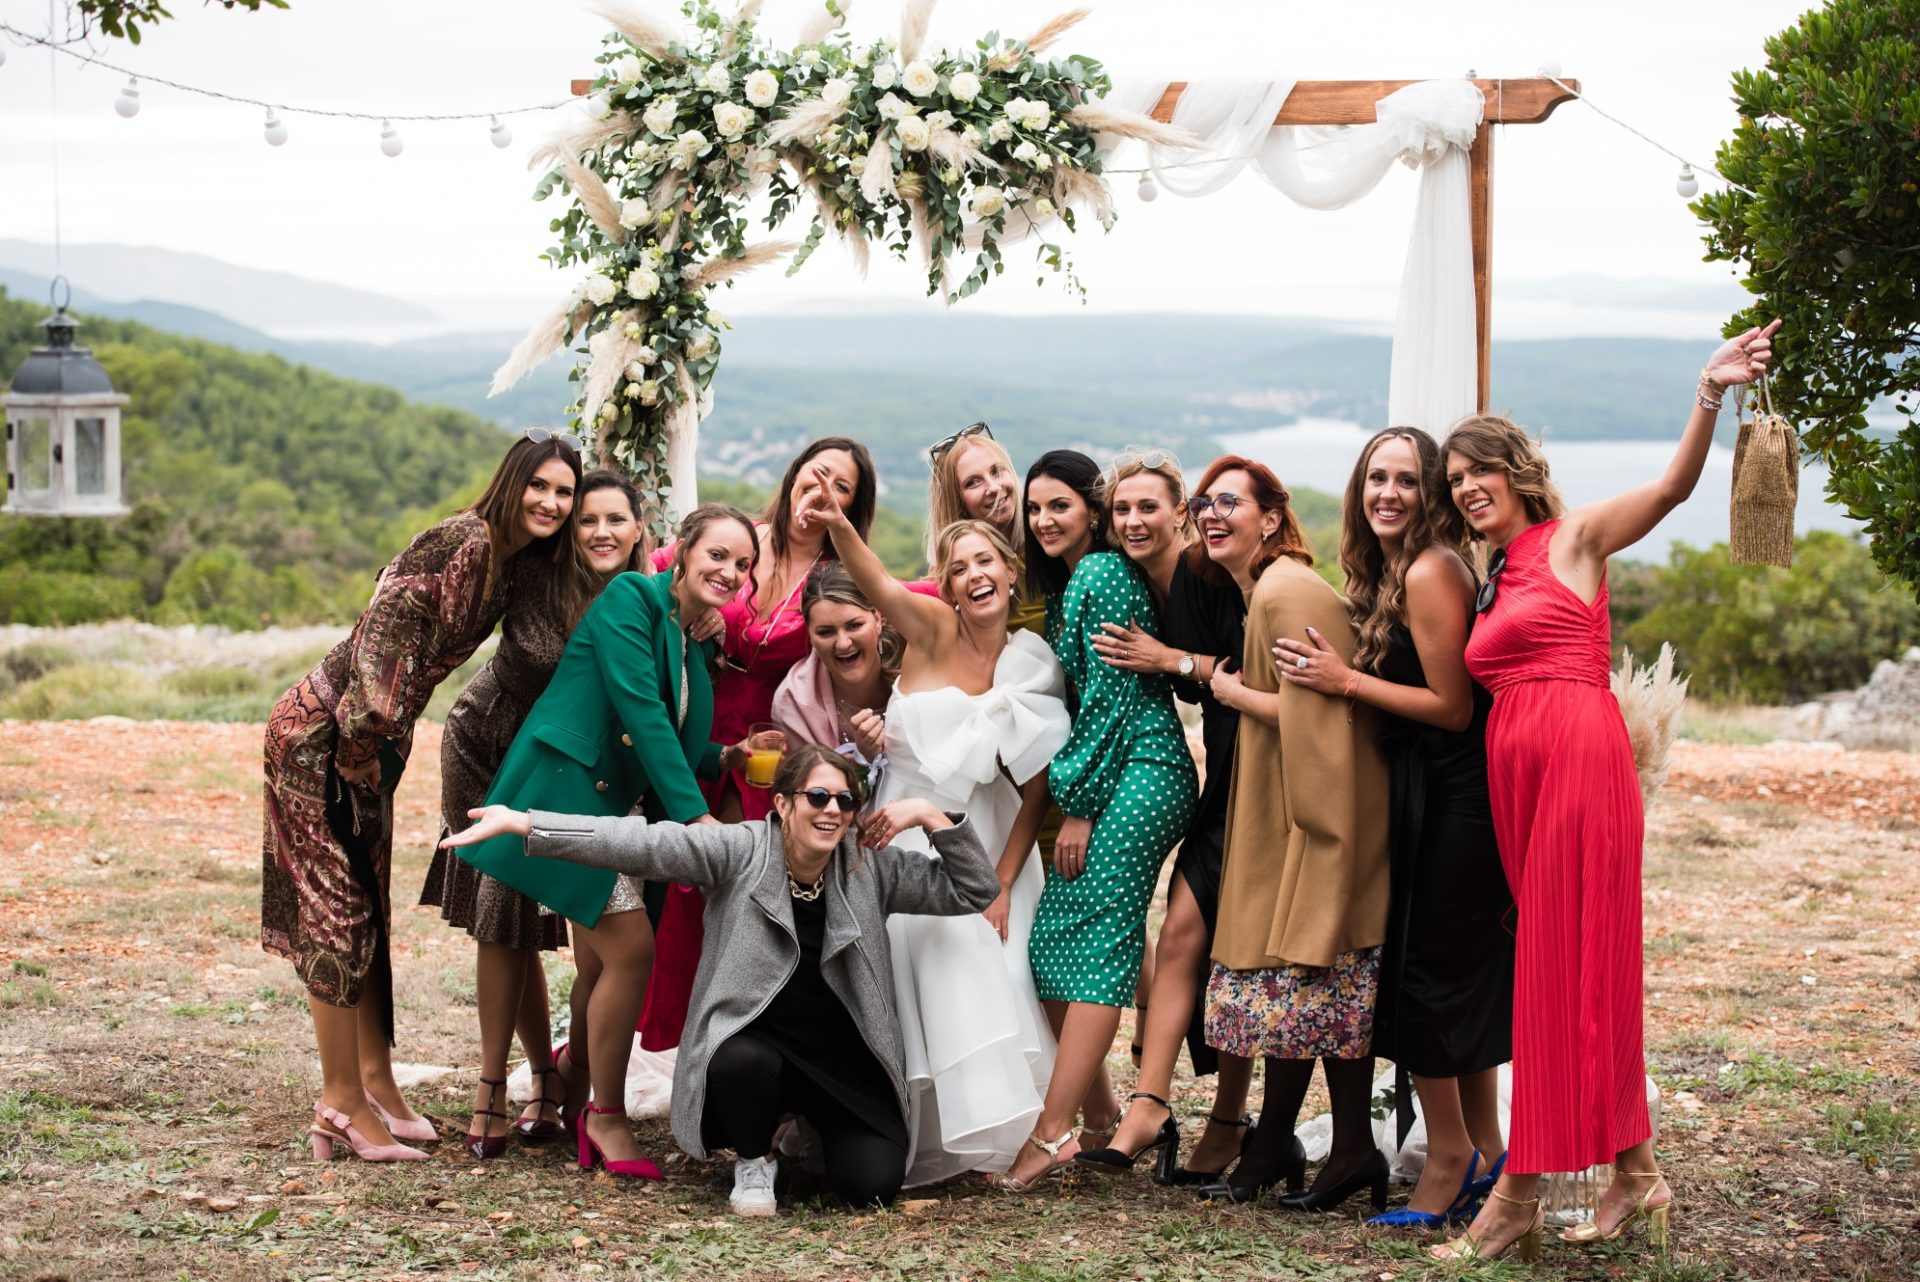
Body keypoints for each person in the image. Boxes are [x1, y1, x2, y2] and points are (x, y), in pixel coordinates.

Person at [1429, 321, 1779, 1263]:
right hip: (1520, 776)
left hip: (1579, 761)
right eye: (1455, 479)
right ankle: (1638, 1175)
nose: (1466, 487)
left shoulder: (1572, 538)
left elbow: (1670, 491)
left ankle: (1516, 1200)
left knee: (1554, 971)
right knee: (1578, 966)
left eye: (1479, 470)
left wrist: (1708, 391)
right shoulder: (1492, 578)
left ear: (1517, 471)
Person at [440, 745, 1002, 1216]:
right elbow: (641, 842)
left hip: (840, 1061)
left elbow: (975, 890)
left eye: (845, 800)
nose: (832, 810)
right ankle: (753, 1158)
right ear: (782, 804)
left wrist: (932, 816)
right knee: (742, 1063)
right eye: (817, 797)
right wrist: (527, 824)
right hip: (755, 1049)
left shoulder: (869, 867)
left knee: (870, 1187)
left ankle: (802, 1135)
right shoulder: (741, 851)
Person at [260, 431, 580, 1163]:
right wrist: (361, 741)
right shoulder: (465, 540)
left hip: (374, 741)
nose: (552, 503)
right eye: (540, 487)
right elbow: (386, 627)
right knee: (336, 908)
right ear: (511, 483)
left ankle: (376, 1080)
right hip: (328, 734)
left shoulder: (513, 562)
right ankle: (338, 1102)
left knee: (369, 900)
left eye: (564, 492)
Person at [450, 503, 763, 1182]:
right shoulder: (629, 599)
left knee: (597, 970)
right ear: (680, 552)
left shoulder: (691, 639)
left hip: (622, 814)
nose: (730, 571)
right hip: (567, 794)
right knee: (633, 953)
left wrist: (726, 759)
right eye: (717, 555)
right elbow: (637, 709)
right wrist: (692, 820)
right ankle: (606, 1113)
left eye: (743, 564)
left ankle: (570, 1073)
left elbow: (674, 735)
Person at [1273, 428, 1512, 1227]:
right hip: (1427, 792)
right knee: (1455, 976)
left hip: (1460, 796)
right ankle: (1486, 1148)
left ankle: (1447, 1159)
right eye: (1376, 477)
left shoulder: (1432, 567)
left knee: (1424, 981)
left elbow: (1452, 708)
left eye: (1408, 481)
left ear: (1434, 493)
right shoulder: (1387, 571)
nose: (1388, 493)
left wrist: (1344, 682)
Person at [805, 475, 1071, 1184]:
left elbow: (1037, 785)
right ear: (947, 587)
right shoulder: (929, 629)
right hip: (903, 825)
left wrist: (1005, 880)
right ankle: (910, 1130)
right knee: (912, 968)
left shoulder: (1030, 661)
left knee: (986, 972)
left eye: (986, 561)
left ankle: (1004, 1133)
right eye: (958, 568)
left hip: (989, 835)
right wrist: (839, 526)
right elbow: (878, 584)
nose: (975, 575)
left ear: (1010, 573)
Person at [419, 469, 652, 1157]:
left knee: (589, 935)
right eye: (586, 520)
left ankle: (564, 1081)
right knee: (505, 916)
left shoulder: (647, 599)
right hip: (494, 747)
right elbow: (447, 610)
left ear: (642, 527)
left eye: (615, 520)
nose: (599, 532)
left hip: (580, 771)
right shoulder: (535, 574)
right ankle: (500, 1084)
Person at [1082, 455, 1292, 1185]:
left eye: (1150, 508)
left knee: (1233, 946)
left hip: (1271, 775)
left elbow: (1242, 675)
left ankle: (1231, 1115)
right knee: (1181, 934)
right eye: (1122, 511)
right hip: (1227, 769)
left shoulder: (1216, 574)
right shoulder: (1133, 580)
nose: (1135, 522)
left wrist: (1174, 661)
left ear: (1179, 512)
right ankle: (1149, 1103)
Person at [993, 450, 1198, 1191]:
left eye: (1061, 507)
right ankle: (1099, 1118)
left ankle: (1052, 1135)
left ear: (1092, 512)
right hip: (1119, 770)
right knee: (1052, 943)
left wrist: (1076, 806)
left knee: (1101, 945)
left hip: (1142, 771)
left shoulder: (1103, 575)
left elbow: (1109, 703)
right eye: (1035, 509)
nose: (1045, 521)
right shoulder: (1087, 578)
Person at [639, 436, 879, 1055]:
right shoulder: (739, 540)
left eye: (843, 487)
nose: (824, 490)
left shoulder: (841, 575)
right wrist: (687, 619)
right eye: (817, 474)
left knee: (741, 886)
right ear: (795, 474)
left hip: (772, 739)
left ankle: (731, 1036)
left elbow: (902, 606)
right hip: (696, 719)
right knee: (677, 879)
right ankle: (662, 1036)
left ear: (854, 505)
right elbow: (656, 575)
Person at [1205, 470, 1393, 1214]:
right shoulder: (1272, 587)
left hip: (1316, 814)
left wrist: (1226, 692)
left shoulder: (1284, 590)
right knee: (1302, 984)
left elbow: (1316, 713)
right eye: (1204, 504)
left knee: (1312, 973)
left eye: (1230, 503)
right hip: (1297, 808)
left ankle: (1336, 1146)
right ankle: (1294, 1141)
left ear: (1272, 517)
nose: (1211, 515)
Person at [769, 561, 896, 764]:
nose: (843, 644)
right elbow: (809, 789)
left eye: (854, 625)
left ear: (878, 619)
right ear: (810, 636)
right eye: (825, 632)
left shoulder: (914, 667)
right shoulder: (793, 700)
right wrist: (863, 758)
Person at [925, 422, 1041, 632]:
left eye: (997, 471)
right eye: (973, 482)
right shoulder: (947, 577)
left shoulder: (1046, 541)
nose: (994, 488)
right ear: (956, 501)